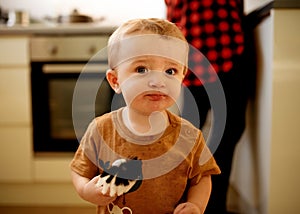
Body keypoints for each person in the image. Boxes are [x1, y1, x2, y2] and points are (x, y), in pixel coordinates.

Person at [70, 18, 220, 214]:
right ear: (115, 81)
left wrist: (195, 205)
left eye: (170, 71)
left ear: (182, 77)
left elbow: (201, 178)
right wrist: (85, 190)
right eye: (141, 69)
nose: (158, 81)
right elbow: (79, 171)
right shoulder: (100, 129)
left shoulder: (189, 136)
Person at [165, 0, 249, 213]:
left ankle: (199, 204)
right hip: (210, 47)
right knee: (196, 138)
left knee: (200, 137)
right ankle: (189, 204)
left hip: (206, 47)